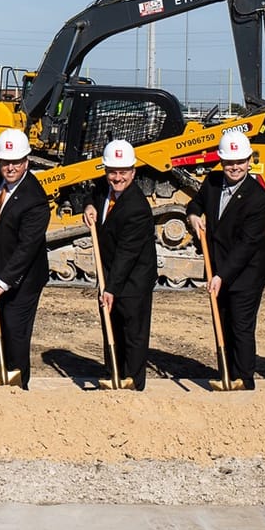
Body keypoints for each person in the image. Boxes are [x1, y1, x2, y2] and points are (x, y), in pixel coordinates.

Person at [187, 133, 265, 391]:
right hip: (219, 266)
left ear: (248, 161)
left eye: (240, 162)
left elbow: (246, 246)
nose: (234, 167)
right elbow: (196, 202)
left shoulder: (259, 199)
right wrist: (192, 216)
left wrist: (221, 275)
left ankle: (244, 379)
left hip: (247, 271)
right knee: (221, 319)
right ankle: (226, 372)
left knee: (240, 323)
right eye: (228, 162)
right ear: (221, 162)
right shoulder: (212, 182)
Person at [0, 128, 49, 389]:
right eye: (5, 162)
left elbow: (27, 249)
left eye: (16, 162)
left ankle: (18, 384)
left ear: (26, 161)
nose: (10, 167)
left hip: (22, 279)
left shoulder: (34, 200)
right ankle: (1, 372)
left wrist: (2, 283)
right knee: (0, 327)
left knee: (15, 331)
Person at [82, 140, 157, 391]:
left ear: (133, 173)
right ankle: (113, 373)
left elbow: (127, 253)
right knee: (110, 324)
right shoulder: (104, 189)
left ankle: (133, 382)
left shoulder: (136, 207)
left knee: (132, 332)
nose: (117, 178)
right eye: (113, 172)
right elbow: (91, 194)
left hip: (133, 278)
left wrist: (110, 289)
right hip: (111, 273)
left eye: (123, 172)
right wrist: (89, 206)